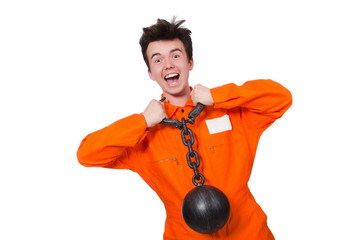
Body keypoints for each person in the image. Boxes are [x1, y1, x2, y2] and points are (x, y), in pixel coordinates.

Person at [77, 17, 292, 240]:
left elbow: (281, 98)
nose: (168, 64)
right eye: (157, 60)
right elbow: (86, 154)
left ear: (190, 63)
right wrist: (141, 121)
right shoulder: (142, 137)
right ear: (150, 73)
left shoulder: (232, 114)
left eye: (175, 55)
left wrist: (217, 96)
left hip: (249, 233)